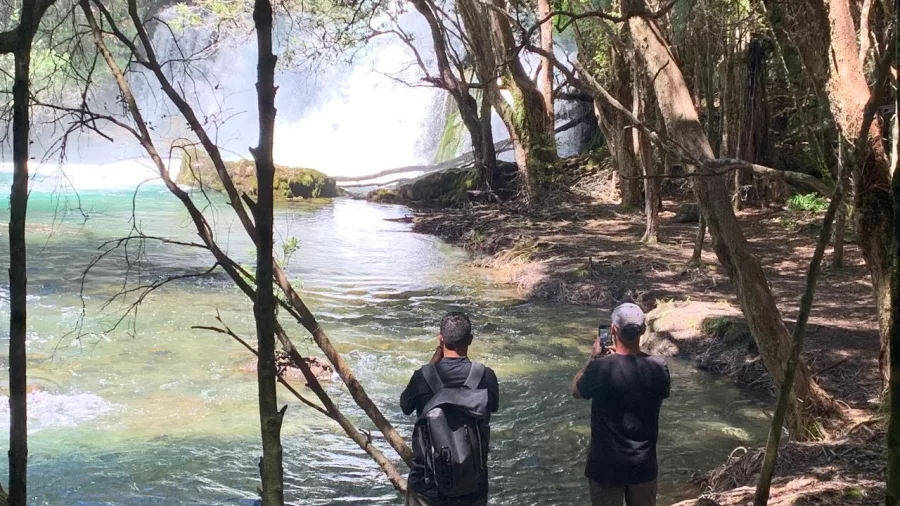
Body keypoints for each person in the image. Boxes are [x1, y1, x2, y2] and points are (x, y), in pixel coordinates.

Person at [572, 303, 671, 506]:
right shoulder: (658, 367)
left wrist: (593, 358)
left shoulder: (600, 368)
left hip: (604, 467)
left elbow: (576, 392)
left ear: (613, 330)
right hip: (644, 465)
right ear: (643, 330)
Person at [400, 312, 500, 506]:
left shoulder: (423, 377)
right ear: (470, 340)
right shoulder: (485, 376)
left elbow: (405, 407)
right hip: (472, 485)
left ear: (440, 339)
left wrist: (432, 364)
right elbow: (493, 407)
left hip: (426, 487)